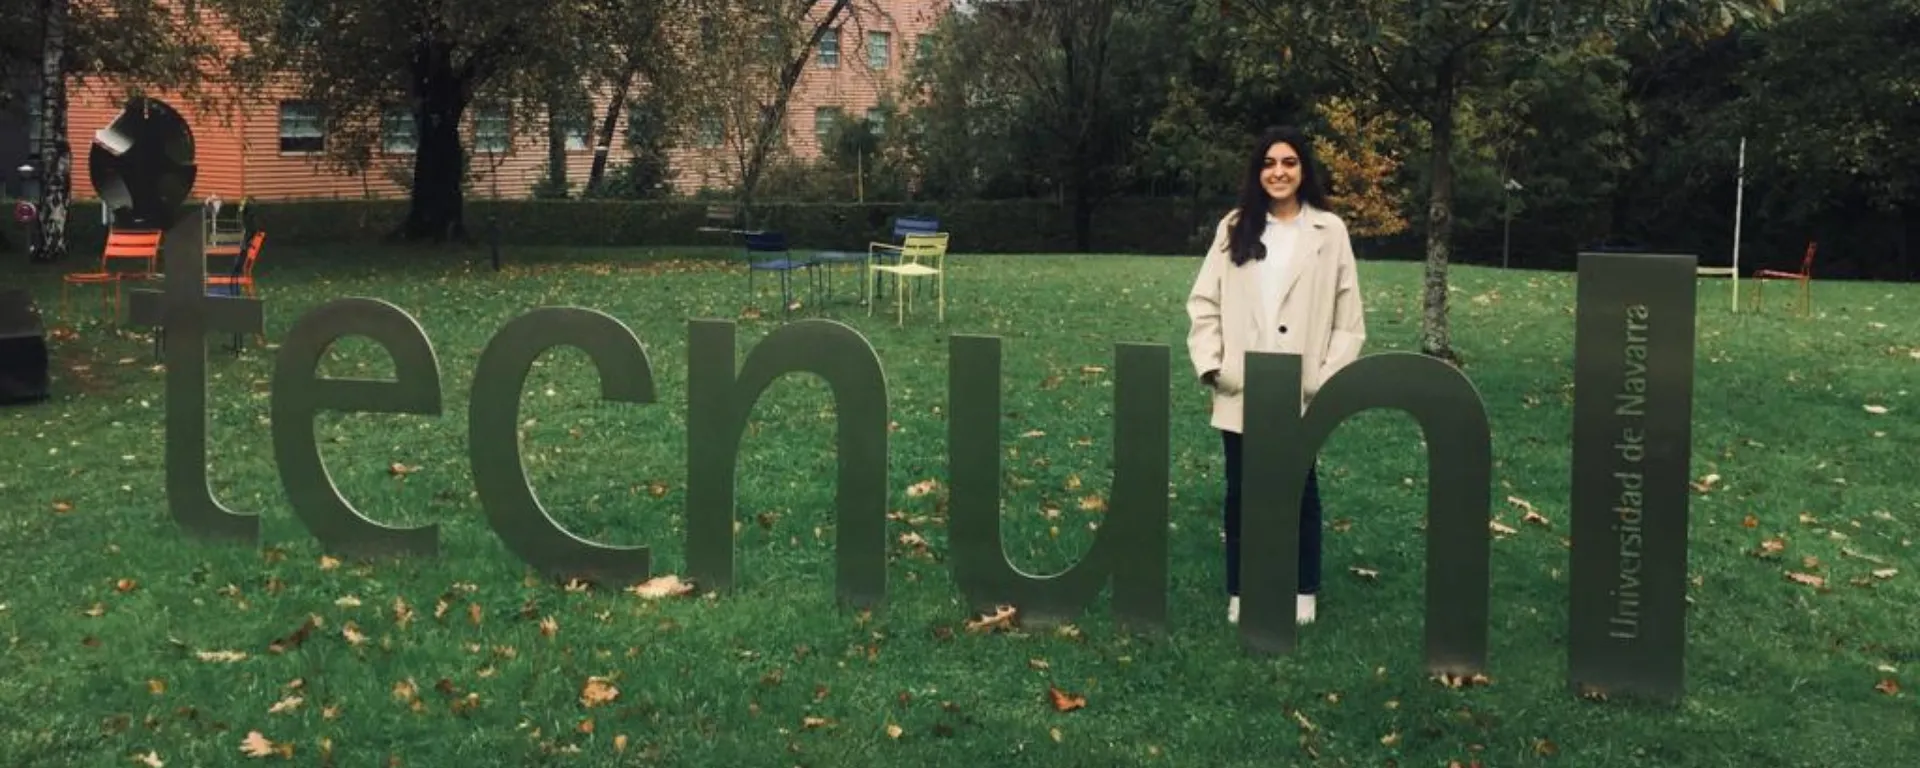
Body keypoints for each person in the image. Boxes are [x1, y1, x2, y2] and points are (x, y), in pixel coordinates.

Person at [1185, 125, 1367, 626]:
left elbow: (1347, 319)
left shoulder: (1330, 232)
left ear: (1303, 169)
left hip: (1300, 386)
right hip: (1244, 384)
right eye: (1269, 163)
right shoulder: (1234, 227)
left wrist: (1322, 380)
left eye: (1288, 162)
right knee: (1241, 491)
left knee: (1300, 488)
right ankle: (1242, 590)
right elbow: (1204, 303)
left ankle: (1302, 588)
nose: (1278, 171)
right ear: (1257, 171)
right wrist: (1217, 367)